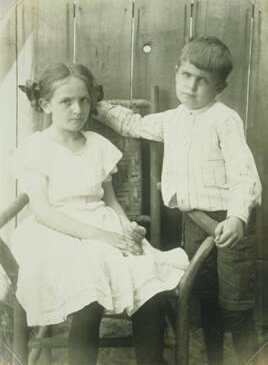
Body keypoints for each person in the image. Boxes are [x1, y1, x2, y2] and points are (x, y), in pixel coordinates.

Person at [94, 36, 262, 365]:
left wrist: (238, 217)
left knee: (236, 307)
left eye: (203, 81)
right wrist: (97, 106)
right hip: (195, 221)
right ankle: (214, 359)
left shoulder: (224, 120)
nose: (191, 86)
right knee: (206, 297)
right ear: (176, 72)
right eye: (186, 75)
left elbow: (244, 175)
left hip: (227, 224)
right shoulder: (174, 119)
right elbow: (133, 124)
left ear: (220, 87)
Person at [11, 62, 189, 365]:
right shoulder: (36, 148)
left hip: (100, 221)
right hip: (53, 232)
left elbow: (110, 200)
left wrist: (125, 226)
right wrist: (102, 236)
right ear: (45, 105)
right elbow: (42, 211)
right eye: (66, 101)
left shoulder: (97, 145)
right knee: (88, 296)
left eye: (83, 100)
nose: (77, 109)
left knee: (148, 282)